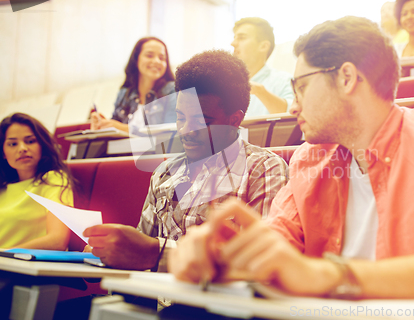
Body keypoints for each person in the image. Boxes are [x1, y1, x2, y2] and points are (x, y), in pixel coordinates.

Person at [168, 16, 414, 299]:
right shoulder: (308, 161)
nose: (292, 106)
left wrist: (327, 275)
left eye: (301, 87)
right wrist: (221, 256)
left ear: (347, 78)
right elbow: (278, 244)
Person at [83, 50, 288, 270]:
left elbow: (260, 261)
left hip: (215, 302)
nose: (186, 130)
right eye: (181, 118)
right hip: (151, 300)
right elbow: (139, 250)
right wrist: (111, 252)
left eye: (202, 121)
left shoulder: (264, 169)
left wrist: (157, 253)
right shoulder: (165, 172)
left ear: (234, 120)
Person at [0, 113, 74, 250]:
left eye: (30, 141)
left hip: (23, 266)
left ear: (42, 145)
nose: (22, 148)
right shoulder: (3, 187)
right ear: (3, 153)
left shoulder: (54, 179)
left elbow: (57, 241)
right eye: (13, 144)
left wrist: (4, 254)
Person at [91, 37, 177, 135]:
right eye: (149, 55)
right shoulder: (124, 93)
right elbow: (115, 129)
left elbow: (170, 133)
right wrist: (103, 125)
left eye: (162, 58)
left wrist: (121, 128)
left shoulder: (173, 91)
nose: (157, 61)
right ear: (136, 59)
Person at [231, 17, 294, 116]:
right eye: (234, 38)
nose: (233, 43)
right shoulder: (224, 85)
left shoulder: (285, 81)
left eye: (241, 37)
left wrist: (260, 92)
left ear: (263, 46)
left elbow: (293, 115)